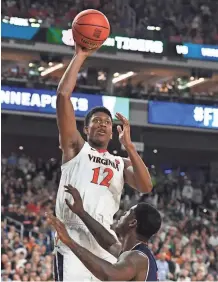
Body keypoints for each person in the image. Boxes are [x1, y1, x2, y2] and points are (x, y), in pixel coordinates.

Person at [55, 43, 153, 281]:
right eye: (96, 121)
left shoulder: (121, 162)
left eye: (107, 122)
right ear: (86, 128)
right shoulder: (76, 149)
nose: (102, 124)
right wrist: (80, 55)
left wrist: (129, 147)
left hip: (105, 239)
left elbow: (146, 186)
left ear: (113, 133)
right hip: (73, 233)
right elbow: (63, 97)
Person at [48, 185, 161, 281]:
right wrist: (81, 213)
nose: (122, 214)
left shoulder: (138, 257)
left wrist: (69, 241)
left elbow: (109, 275)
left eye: (127, 213)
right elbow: (109, 243)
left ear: (132, 223)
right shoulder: (138, 253)